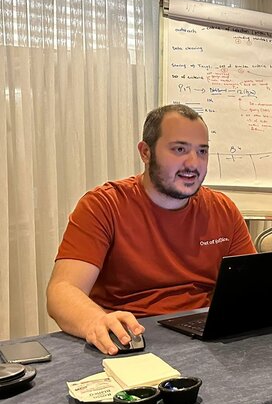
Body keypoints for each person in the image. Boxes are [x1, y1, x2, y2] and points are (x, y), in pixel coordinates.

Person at [47, 105, 255, 354]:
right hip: (130, 340)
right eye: (180, 149)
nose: (193, 163)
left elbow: (251, 286)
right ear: (145, 152)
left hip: (205, 340)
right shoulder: (103, 205)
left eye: (202, 151)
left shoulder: (222, 209)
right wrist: (96, 320)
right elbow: (62, 291)